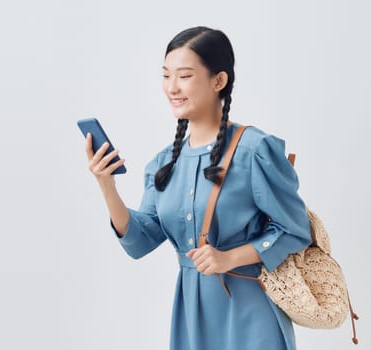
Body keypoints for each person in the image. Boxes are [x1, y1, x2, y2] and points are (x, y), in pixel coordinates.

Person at [84, 26, 312, 350]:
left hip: (251, 316)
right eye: (166, 76)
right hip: (192, 317)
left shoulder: (255, 150)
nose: (172, 88)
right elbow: (139, 241)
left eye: (184, 76)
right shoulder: (164, 163)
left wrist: (229, 258)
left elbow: (294, 230)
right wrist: (107, 186)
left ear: (219, 81)